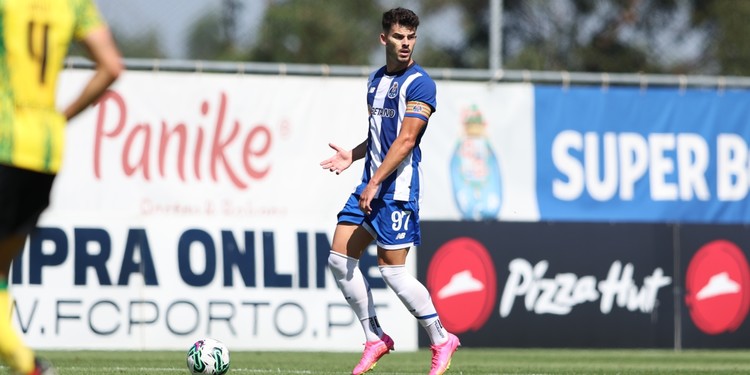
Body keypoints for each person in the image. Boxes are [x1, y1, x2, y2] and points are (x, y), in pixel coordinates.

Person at [320, 7, 459, 375]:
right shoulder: (374, 81)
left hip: (396, 191)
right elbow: (381, 138)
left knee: (392, 273)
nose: (405, 44)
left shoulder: (420, 84)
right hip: (371, 184)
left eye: (411, 38)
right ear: (384, 38)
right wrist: (353, 154)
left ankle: (441, 338)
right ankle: (375, 337)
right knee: (339, 259)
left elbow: (406, 140)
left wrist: (375, 181)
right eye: (399, 37)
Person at [0, 0, 122, 373]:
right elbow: (112, 67)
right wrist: (60, 118)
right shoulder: (73, 4)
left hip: (4, 140)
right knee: (2, 274)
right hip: (45, 151)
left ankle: (28, 365)